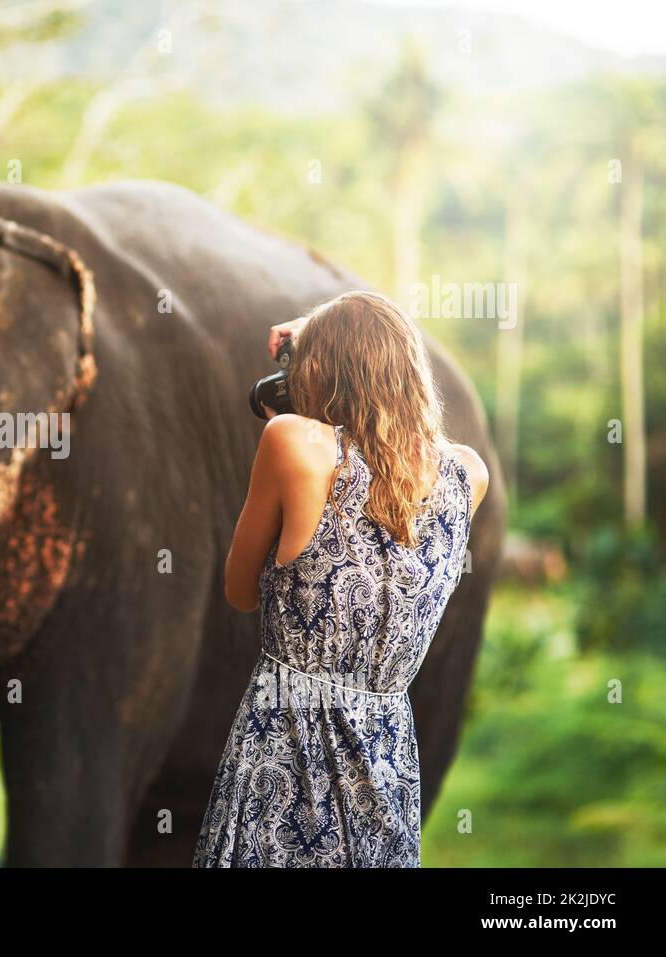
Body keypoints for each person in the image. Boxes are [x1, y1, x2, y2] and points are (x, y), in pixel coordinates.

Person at [192, 290, 488, 868]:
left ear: (320, 369)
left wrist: (308, 342)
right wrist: (329, 333)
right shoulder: (466, 474)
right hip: (388, 763)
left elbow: (239, 591)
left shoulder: (292, 443)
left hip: (283, 752)